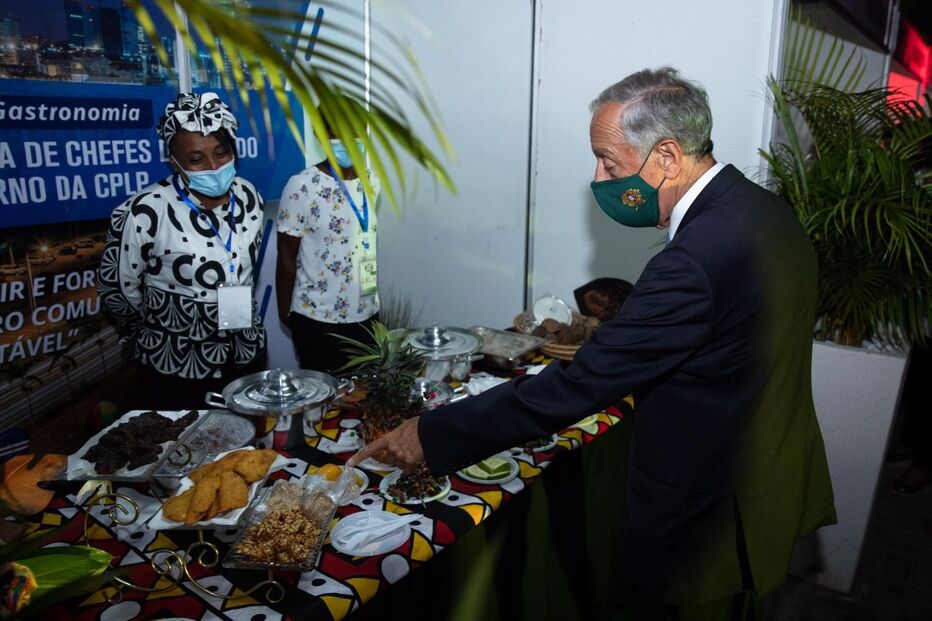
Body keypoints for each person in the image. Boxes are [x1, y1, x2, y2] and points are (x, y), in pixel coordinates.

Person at [350, 68, 837, 619]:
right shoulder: (763, 209)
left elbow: (580, 384)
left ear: (668, 158)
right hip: (767, 474)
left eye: (609, 160)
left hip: (708, 508)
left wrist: (430, 435)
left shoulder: (692, 261)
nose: (600, 176)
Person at [98, 92, 266, 409]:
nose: (214, 167)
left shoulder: (249, 197)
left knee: (247, 451)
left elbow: (245, 269)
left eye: (222, 152)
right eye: (196, 159)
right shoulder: (143, 212)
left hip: (245, 353)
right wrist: (160, 325)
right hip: (176, 365)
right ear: (174, 161)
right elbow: (118, 290)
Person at [275, 111, 380, 372]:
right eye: (335, 132)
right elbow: (286, 256)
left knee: (363, 399)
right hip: (317, 318)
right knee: (325, 402)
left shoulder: (371, 181)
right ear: (321, 136)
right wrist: (286, 313)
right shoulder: (302, 186)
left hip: (366, 313)